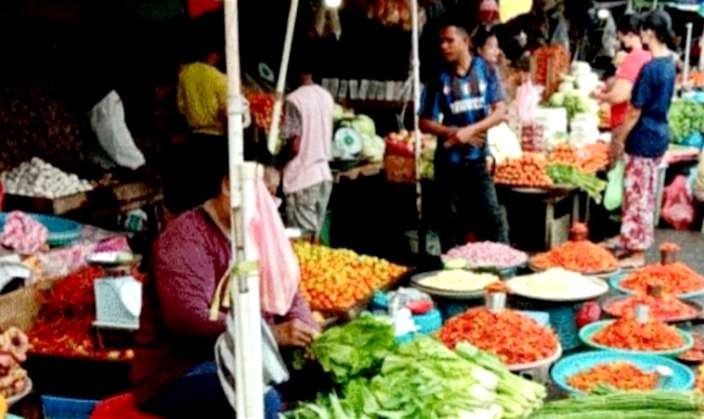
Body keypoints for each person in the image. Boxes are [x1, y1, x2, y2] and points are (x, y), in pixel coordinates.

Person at [131, 142, 320, 418]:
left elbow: (287, 292)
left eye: (274, 196)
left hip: (247, 355)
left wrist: (308, 328)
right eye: (263, 195)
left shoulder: (258, 235)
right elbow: (188, 319)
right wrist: (271, 336)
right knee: (259, 399)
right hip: (179, 372)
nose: (271, 207)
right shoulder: (185, 240)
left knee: (321, 379)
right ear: (230, 187)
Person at [420, 21, 508, 251]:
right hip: (448, 165)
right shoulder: (438, 78)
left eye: (450, 41)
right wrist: (454, 133)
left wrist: (471, 130)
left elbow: (500, 112)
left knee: (492, 223)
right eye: (441, 41)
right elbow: (424, 121)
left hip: (478, 162)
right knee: (450, 229)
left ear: (466, 41)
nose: (444, 46)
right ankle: (452, 278)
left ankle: (502, 274)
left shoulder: (487, 70)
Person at [608, 10, 677, 259]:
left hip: (643, 137)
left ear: (649, 32)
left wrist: (619, 139)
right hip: (659, 134)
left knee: (637, 196)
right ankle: (631, 241)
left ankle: (636, 253)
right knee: (645, 195)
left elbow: (634, 112)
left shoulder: (650, 69)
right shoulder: (669, 63)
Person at [280, 70, 334, 240]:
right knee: (314, 238)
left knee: (302, 241)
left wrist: (278, 165)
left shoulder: (294, 100)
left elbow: (294, 146)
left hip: (302, 179)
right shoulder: (326, 96)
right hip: (323, 175)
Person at [596, 14, 651, 133]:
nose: (620, 40)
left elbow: (619, 96)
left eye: (621, 36)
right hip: (639, 124)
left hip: (624, 123)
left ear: (630, 34)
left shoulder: (634, 57)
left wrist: (600, 97)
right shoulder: (649, 56)